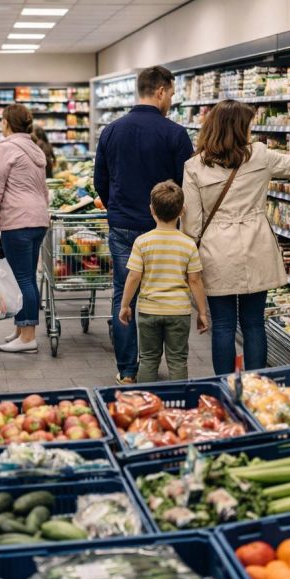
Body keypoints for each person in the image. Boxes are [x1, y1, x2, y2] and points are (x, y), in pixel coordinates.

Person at [182, 100, 290, 375]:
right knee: (254, 323)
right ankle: (257, 384)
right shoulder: (260, 155)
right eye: (248, 124)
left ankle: (224, 385)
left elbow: (192, 225)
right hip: (256, 245)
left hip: (216, 251)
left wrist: (190, 263)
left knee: (223, 325)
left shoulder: (194, 166)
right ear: (239, 128)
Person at [94, 65, 194, 385]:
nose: (172, 101)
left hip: (123, 226)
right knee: (166, 291)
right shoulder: (176, 134)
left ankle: (127, 370)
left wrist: (119, 207)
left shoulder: (111, 130)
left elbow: (100, 181)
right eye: (172, 94)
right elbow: (186, 185)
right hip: (164, 229)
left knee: (125, 295)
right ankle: (166, 360)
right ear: (161, 91)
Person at [118, 181, 210, 383]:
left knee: (148, 359)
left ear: (151, 210)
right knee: (177, 360)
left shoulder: (142, 242)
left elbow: (133, 277)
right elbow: (195, 280)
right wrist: (202, 312)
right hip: (178, 311)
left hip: (149, 310)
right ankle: (180, 403)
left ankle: (147, 402)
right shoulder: (188, 244)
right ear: (182, 211)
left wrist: (125, 305)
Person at [0, 104, 49, 354]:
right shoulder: (35, 148)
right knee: (25, 277)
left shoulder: (7, 148)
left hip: (18, 220)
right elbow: (43, 189)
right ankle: (21, 329)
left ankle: (28, 337)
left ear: (6, 123)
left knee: (22, 278)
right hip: (38, 219)